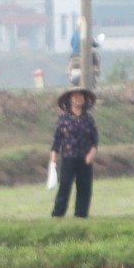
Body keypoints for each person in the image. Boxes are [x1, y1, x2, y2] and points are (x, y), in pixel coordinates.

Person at [50, 85, 97, 220]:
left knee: (84, 187)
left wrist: (91, 154)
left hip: (85, 158)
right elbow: (57, 139)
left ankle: (81, 215)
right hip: (68, 157)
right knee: (65, 185)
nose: (78, 98)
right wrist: (54, 155)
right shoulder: (63, 119)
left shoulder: (88, 119)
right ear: (70, 99)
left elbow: (94, 139)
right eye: (75, 96)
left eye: (81, 96)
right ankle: (58, 214)